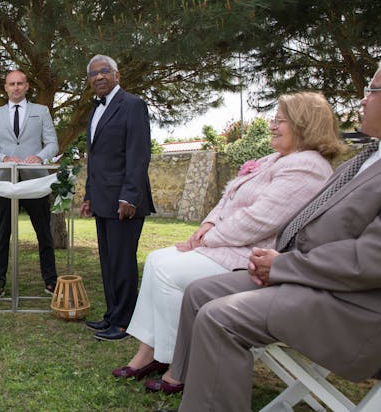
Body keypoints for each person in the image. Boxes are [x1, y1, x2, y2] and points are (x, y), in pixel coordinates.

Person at [153, 66, 381, 412]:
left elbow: (368, 261)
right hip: (317, 282)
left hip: (354, 309)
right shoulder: (369, 157)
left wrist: (284, 266)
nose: (362, 99)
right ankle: (187, 382)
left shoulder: (314, 164)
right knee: (200, 292)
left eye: (373, 90)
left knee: (219, 317)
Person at [115, 92, 344, 384]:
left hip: (253, 255)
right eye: (273, 120)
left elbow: (259, 220)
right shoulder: (276, 159)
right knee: (157, 259)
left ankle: (177, 362)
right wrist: (209, 222)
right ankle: (149, 353)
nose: (272, 126)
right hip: (232, 245)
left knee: (167, 272)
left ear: (305, 124)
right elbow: (229, 197)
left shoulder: (307, 166)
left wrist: (208, 239)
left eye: (280, 121)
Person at [80, 54, 155, 341]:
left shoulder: (133, 105)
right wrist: (88, 194)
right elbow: (95, 159)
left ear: (116, 75)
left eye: (104, 71)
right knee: (109, 262)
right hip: (102, 198)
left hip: (125, 200)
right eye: (93, 74)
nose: (98, 77)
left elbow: (139, 155)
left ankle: (125, 322)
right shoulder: (95, 110)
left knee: (123, 263)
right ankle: (112, 315)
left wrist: (130, 197)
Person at [0, 70, 59, 295]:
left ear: (27, 86)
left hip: (36, 180)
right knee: (2, 233)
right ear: (5, 87)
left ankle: (51, 281)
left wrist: (41, 157)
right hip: (6, 181)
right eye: (11, 84)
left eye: (20, 83)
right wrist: (4, 158)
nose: (15, 87)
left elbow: (52, 143)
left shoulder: (41, 111)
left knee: (44, 232)